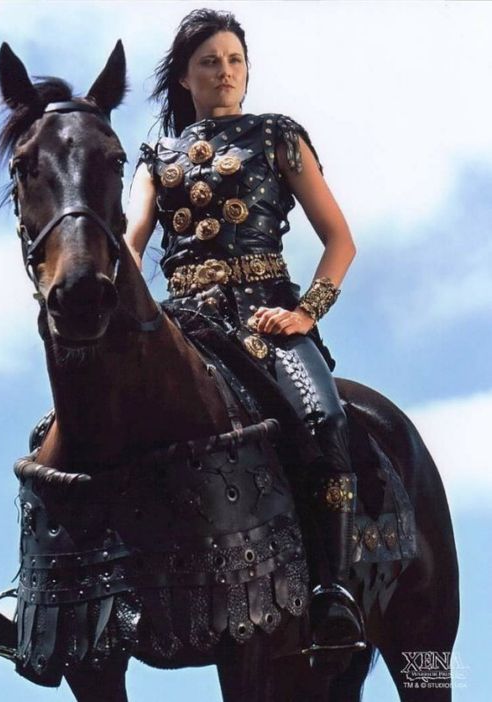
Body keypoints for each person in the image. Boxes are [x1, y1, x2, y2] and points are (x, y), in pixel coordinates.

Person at [124, 8, 365, 654]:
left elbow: (340, 240)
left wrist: (307, 312)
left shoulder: (279, 135)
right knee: (83, 425)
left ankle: (333, 589)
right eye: (209, 62)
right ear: (184, 77)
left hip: (268, 320)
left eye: (235, 61)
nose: (225, 72)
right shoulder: (153, 159)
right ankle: (72, 594)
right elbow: (130, 248)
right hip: (183, 326)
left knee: (324, 420)